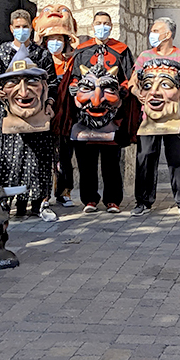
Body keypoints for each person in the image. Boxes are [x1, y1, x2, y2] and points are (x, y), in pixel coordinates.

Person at [56, 13, 135, 214]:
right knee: (86, 162)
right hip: (85, 117)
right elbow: (73, 78)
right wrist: (76, 89)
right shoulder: (82, 51)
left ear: (111, 26)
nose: (102, 27)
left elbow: (128, 76)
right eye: (99, 24)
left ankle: (113, 200)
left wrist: (122, 91)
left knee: (111, 161)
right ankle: (89, 199)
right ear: (93, 26)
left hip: (111, 116)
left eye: (106, 24)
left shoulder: (121, 50)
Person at [0, 9, 58, 220]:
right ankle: (4, 203)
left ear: (31, 28)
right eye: (17, 27)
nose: (21, 30)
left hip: (37, 113)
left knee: (37, 159)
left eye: (25, 27)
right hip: (7, 114)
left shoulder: (42, 54)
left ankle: (38, 202)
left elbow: (52, 83)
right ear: (11, 29)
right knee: (7, 160)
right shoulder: (0, 53)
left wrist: (50, 103)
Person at [131, 17, 180, 217]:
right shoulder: (144, 56)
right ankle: (143, 201)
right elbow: (133, 82)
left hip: (175, 118)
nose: (152, 34)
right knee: (145, 157)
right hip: (148, 118)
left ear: (167, 34)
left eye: (156, 30)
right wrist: (137, 92)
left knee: (178, 160)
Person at [36, 14, 78, 207]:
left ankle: (64, 192)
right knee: (44, 156)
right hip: (43, 114)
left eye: (59, 39)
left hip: (67, 116)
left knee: (65, 157)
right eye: (51, 39)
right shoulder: (39, 61)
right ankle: (43, 194)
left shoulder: (72, 63)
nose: (55, 43)